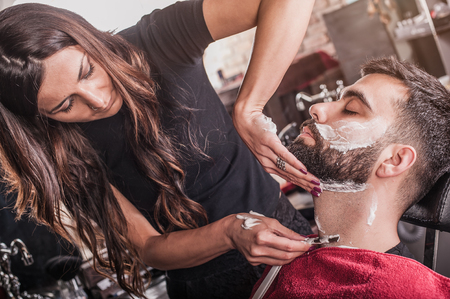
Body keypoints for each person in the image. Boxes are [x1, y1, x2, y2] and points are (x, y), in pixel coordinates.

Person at [0, 1, 319, 298]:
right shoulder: (59, 146)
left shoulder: (156, 40)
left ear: (90, 40)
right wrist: (229, 233)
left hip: (289, 237)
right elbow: (149, 247)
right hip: (206, 286)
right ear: (40, 117)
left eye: (88, 71)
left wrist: (249, 107)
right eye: (66, 105)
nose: (97, 100)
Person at [250, 57, 450, 298]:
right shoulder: (287, 256)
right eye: (338, 99)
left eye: (352, 109)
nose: (317, 108)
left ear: (393, 161)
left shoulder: (406, 293)